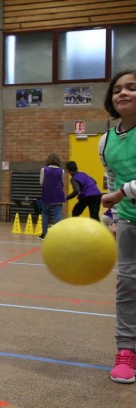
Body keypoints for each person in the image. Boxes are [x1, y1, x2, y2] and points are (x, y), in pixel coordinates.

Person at [99, 69, 136, 384]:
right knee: (127, 284)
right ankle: (126, 351)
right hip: (129, 221)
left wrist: (120, 194)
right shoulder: (105, 141)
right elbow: (112, 178)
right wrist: (112, 217)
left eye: (132, 88)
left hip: (126, 203)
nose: (123, 93)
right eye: (117, 90)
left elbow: (119, 187)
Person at [38, 153, 65, 239]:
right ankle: (58, 234)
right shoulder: (62, 171)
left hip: (47, 194)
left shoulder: (44, 169)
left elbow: (41, 182)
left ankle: (44, 234)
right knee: (58, 214)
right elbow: (61, 182)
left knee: (45, 213)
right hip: (58, 195)